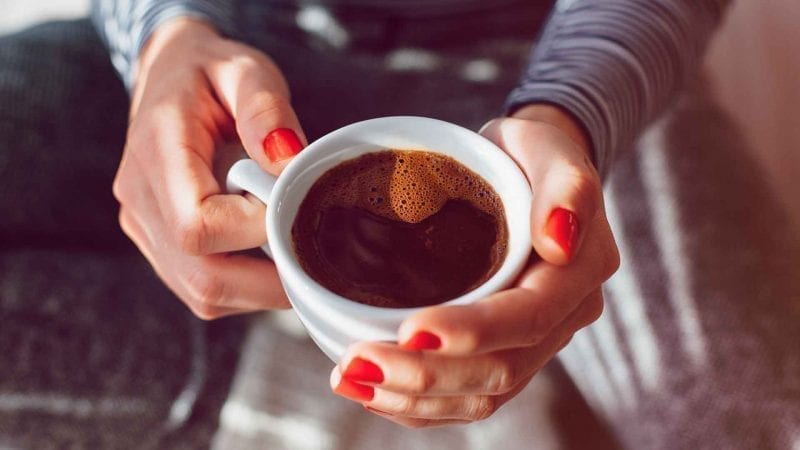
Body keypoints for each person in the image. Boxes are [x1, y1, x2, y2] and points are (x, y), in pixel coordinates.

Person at [2, 0, 798, 448]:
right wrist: (166, 38)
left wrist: (574, 111)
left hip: (557, 69)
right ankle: (289, 398)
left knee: (752, 417)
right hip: (237, 54)